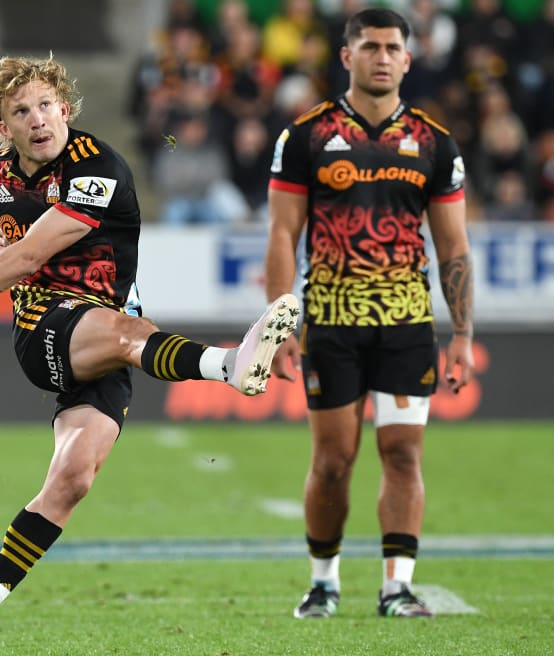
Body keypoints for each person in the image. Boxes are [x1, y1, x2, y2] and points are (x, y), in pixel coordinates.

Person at [0, 54, 300, 656]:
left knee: (71, 482)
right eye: (19, 111)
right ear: (2, 126)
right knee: (132, 332)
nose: (36, 120)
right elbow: (24, 260)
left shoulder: (98, 167)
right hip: (43, 326)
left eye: (45, 106)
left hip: (104, 335)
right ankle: (226, 366)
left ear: (65, 109)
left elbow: (29, 249)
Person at [264, 8, 475, 619]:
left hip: (408, 324)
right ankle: (323, 581)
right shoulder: (304, 135)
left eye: (393, 48)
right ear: (347, 56)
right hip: (331, 321)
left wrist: (461, 332)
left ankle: (396, 587)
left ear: (409, 59)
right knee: (333, 459)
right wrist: (282, 326)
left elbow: (454, 246)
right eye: (370, 46)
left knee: (404, 454)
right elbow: (282, 236)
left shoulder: (435, 143)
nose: (382, 57)